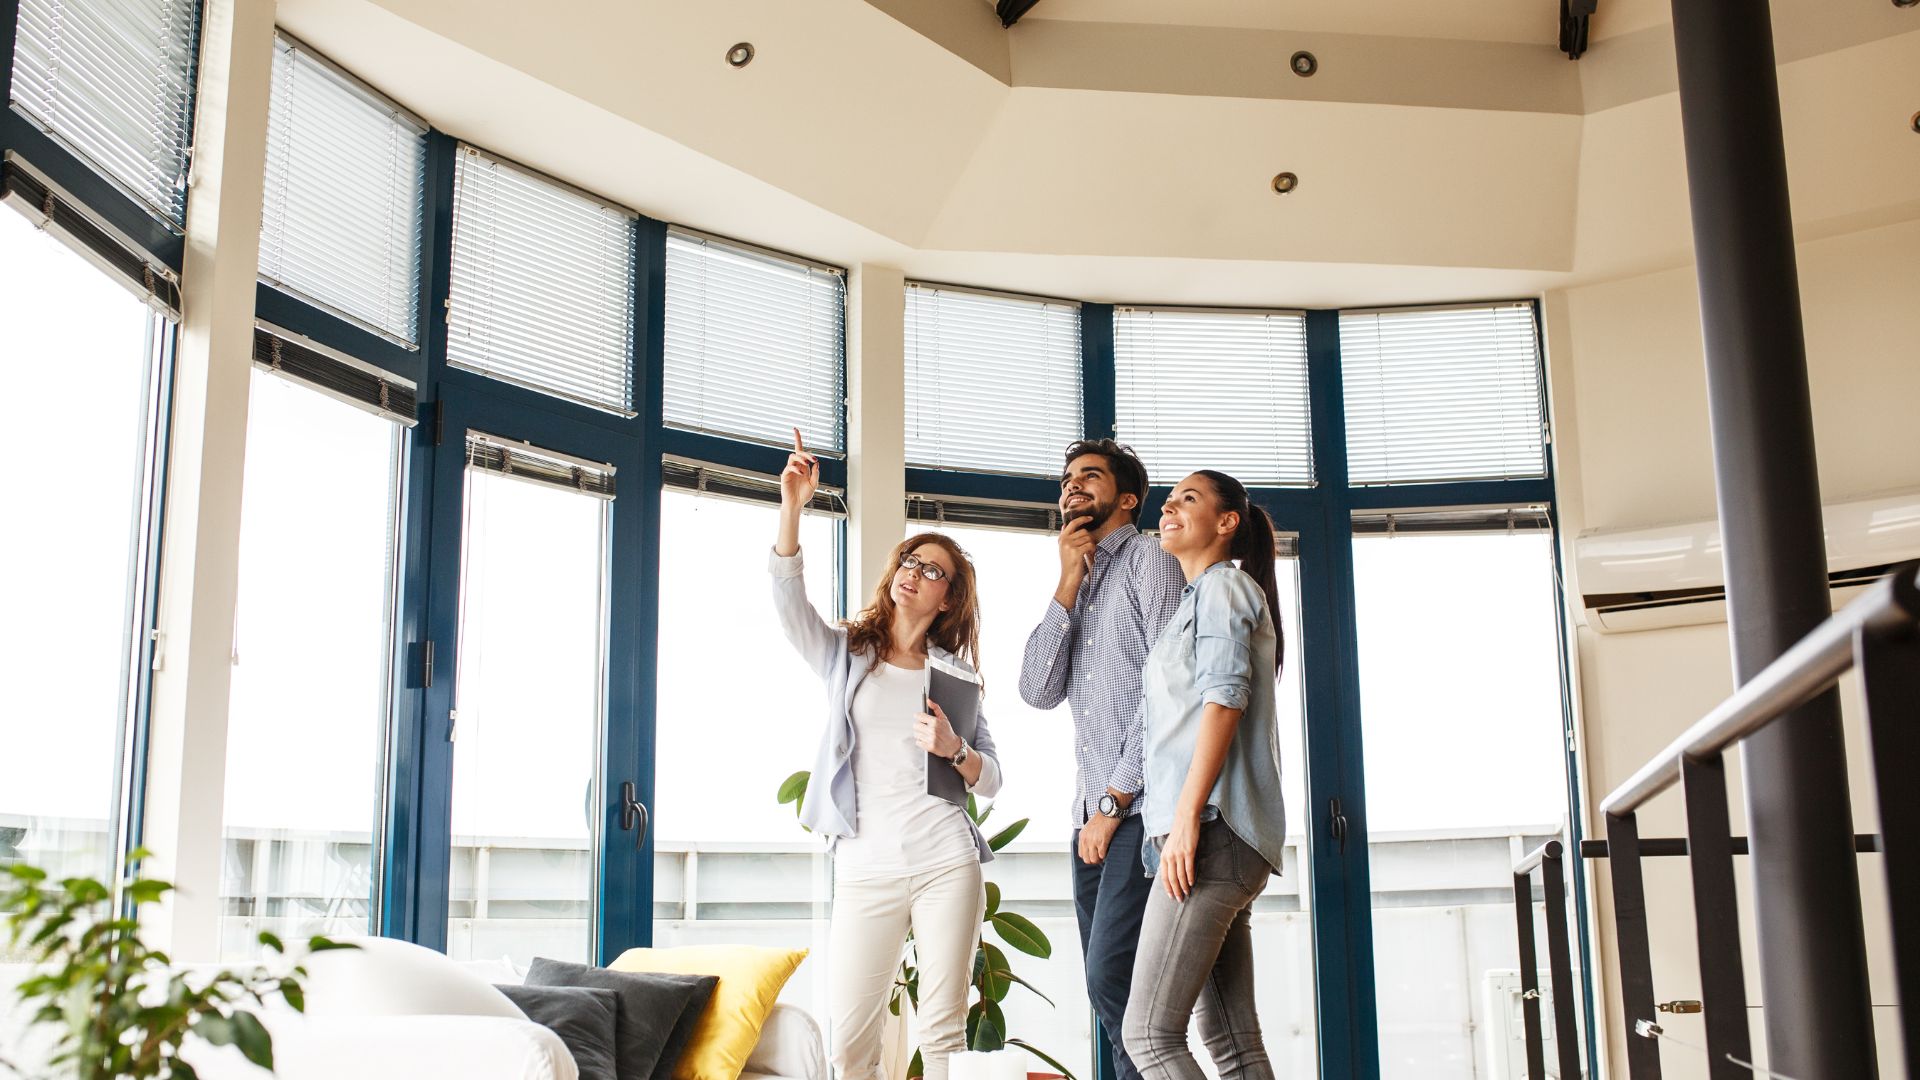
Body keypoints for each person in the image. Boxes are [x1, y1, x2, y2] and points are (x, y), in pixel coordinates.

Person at [771, 429, 1003, 1080]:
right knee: (849, 1043)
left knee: (942, 1031)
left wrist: (956, 749)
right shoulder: (849, 652)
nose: (913, 573)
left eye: (932, 571)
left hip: (944, 862)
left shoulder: (955, 675)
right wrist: (792, 508)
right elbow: (790, 607)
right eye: (909, 560)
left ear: (949, 597)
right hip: (865, 867)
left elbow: (991, 779)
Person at [1019, 439, 1186, 1080]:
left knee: (1115, 976)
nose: (1073, 486)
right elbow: (1036, 690)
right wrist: (1066, 581)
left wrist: (1115, 802)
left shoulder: (1149, 557)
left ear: (1128, 498)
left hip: (1138, 810)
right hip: (1089, 818)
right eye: (1067, 478)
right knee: (1111, 989)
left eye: (1090, 476)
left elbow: (1170, 693)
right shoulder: (1081, 579)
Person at [1122, 469, 1288, 1080]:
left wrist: (1187, 818)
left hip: (1211, 831)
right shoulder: (1200, 599)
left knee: (1149, 1035)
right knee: (1233, 1044)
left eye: (1186, 499)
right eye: (1167, 501)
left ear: (1226, 522)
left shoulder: (1224, 588)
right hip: (1218, 835)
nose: (1168, 509)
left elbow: (1224, 700)